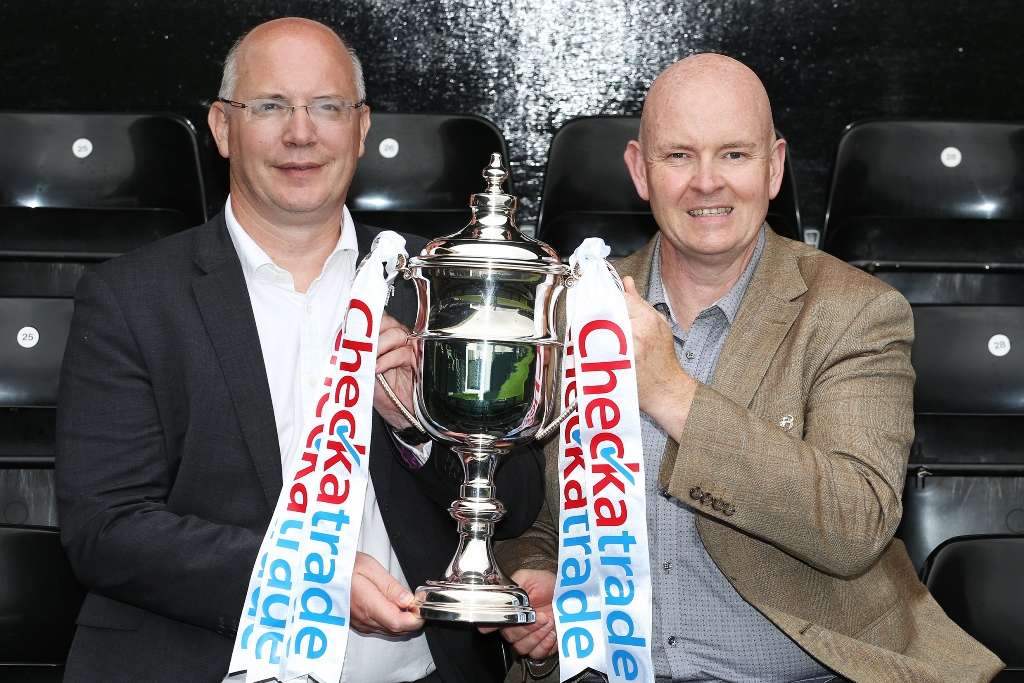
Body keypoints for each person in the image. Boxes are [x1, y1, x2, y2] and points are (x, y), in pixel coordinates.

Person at [55, 17, 543, 683]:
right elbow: (105, 530)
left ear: (361, 126)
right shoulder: (131, 299)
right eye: (270, 106)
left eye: (327, 107)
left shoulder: (429, 289)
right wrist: (305, 572)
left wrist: (415, 425)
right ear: (223, 128)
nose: (301, 133)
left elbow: (514, 494)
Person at [492, 54, 1003, 682]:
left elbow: (853, 525)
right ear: (639, 171)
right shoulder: (571, 305)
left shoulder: (855, 313)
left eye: (734, 154)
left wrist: (671, 393)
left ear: (775, 167)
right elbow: (530, 506)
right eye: (678, 156)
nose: (707, 182)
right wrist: (537, 568)